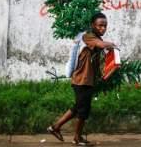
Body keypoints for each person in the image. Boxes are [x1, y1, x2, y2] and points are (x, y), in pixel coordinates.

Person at [47, 12, 116, 146]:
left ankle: (56, 128)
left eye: (105, 26)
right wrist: (113, 45)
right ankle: (75, 137)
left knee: (79, 107)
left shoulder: (96, 38)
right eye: (100, 25)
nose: (103, 28)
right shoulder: (88, 36)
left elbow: (98, 59)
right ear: (93, 25)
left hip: (87, 80)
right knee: (83, 109)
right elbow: (101, 45)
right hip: (81, 80)